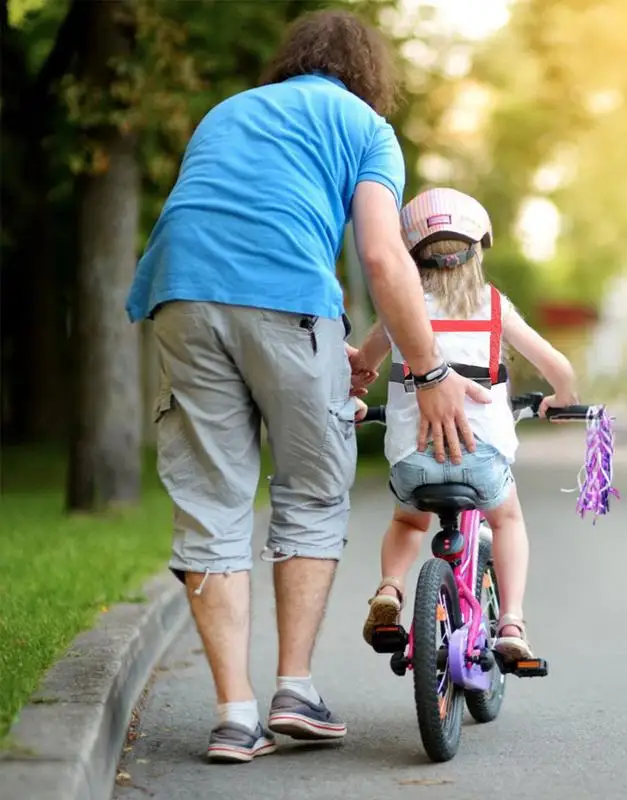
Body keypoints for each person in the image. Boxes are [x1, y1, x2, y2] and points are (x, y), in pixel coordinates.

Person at [125, 11, 489, 763]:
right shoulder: (365, 126)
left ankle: (233, 715)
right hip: (289, 297)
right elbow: (388, 261)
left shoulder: (227, 112)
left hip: (178, 294)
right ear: (369, 76)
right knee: (313, 491)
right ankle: (295, 690)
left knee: (212, 501)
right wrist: (430, 373)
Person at [353, 187, 579, 661]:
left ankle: (391, 589)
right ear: (478, 249)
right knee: (508, 519)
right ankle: (512, 622)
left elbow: (363, 367)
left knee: (407, 520)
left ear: (409, 253)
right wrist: (561, 398)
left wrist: (354, 396)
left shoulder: (400, 309)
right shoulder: (493, 306)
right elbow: (557, 365)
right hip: (482, 460)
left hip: (414, 460)